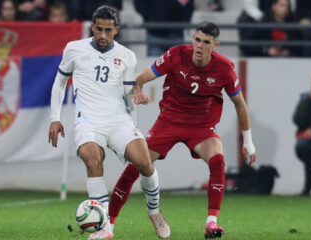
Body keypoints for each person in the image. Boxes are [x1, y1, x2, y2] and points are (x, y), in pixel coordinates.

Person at [93, 21, 257, 239]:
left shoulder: (224, 68)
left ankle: (211, 223)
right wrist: (138, 91)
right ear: (193, 39)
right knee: (135, 166)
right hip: (168, 122)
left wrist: (248, 141)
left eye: (206, 42)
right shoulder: (176, 55)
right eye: (197, 40)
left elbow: (240, 104)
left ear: (215, 45)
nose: (200, 46)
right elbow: (139, 79)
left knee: (217, 159)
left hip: (201, 126)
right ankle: (109, 227)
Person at [48, 5, 168, 240]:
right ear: (92, 27)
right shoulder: (74, 49)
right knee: (93, 159)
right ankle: (106, 227)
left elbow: (127, 93)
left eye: (108, 30)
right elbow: (59, 83)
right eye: (99, 29)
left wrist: (135, 94)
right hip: (89, 121)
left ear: (117, 30)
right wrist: (55, 119)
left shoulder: (126, 56)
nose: (103, 35)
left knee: (144, 161)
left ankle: (154, 212)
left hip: (119, 120)